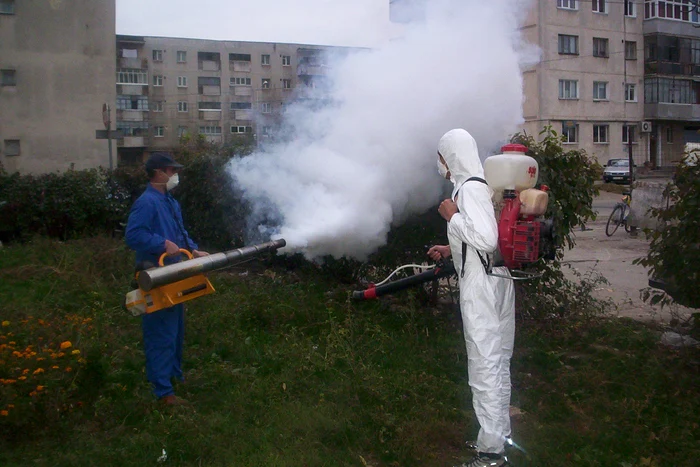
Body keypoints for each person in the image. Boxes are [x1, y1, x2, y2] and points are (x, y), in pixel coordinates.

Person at [427, 129, 515, 467]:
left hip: (482, 285)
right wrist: (451, 248)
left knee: (484, 363)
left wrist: (452, 217)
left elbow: (486, 238)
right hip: (497, 279)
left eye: (441, 157)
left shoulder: (470, 189)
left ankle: (491, 453)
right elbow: (479, 238)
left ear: (452, 155)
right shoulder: (480, 185)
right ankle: (495, 435)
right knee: (497, 359)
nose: (440, 164)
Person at [125, 152, 208, 406]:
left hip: (174, 274)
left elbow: (179, 234)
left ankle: (174, 375)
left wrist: (192, 249)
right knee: (161, 332)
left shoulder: (170, 201)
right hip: (156, 275)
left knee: (175, 330)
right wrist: (161, 243)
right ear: (158, 173)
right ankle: (163, 392)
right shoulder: (147, 203)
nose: (175, 176)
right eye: (172, 171)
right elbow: (134, 235)